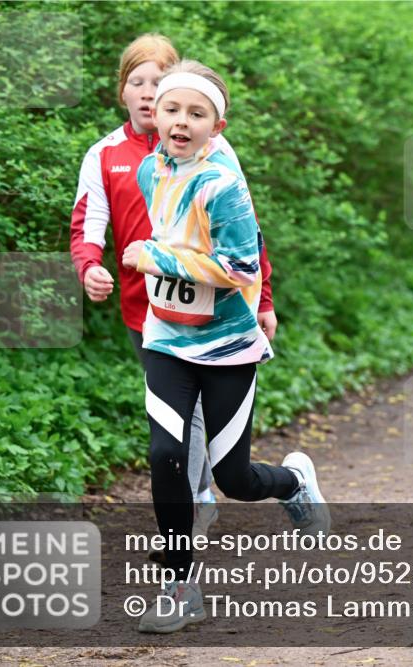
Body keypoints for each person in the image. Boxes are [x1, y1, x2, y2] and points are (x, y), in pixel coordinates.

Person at [121, 59, 330, 633]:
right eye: (171, 110)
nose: (181, 122)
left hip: (227, 346)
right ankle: (179, 586)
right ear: (154, 117)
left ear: (218, 125)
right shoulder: (149, 172)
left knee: (231, 478)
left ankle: (293, 482)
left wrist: (153, 257)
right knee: (165, 458)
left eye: (197, 113)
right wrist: (155, 257)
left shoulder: (223, 185)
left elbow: (237, 267)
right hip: (165, 339)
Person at [69, 34, 277, 538]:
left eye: (157, 82)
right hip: (151, 313)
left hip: (221, 317)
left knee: (213, 444)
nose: (148, 94)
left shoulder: (216, 156)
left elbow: (246, 240)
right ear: (124, 92)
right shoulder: (114, 157)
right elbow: (86, 221)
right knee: (172, 436)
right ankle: (190, 522)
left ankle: (212, 492)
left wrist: (264, 298)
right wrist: (88, 265)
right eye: (137, 83)